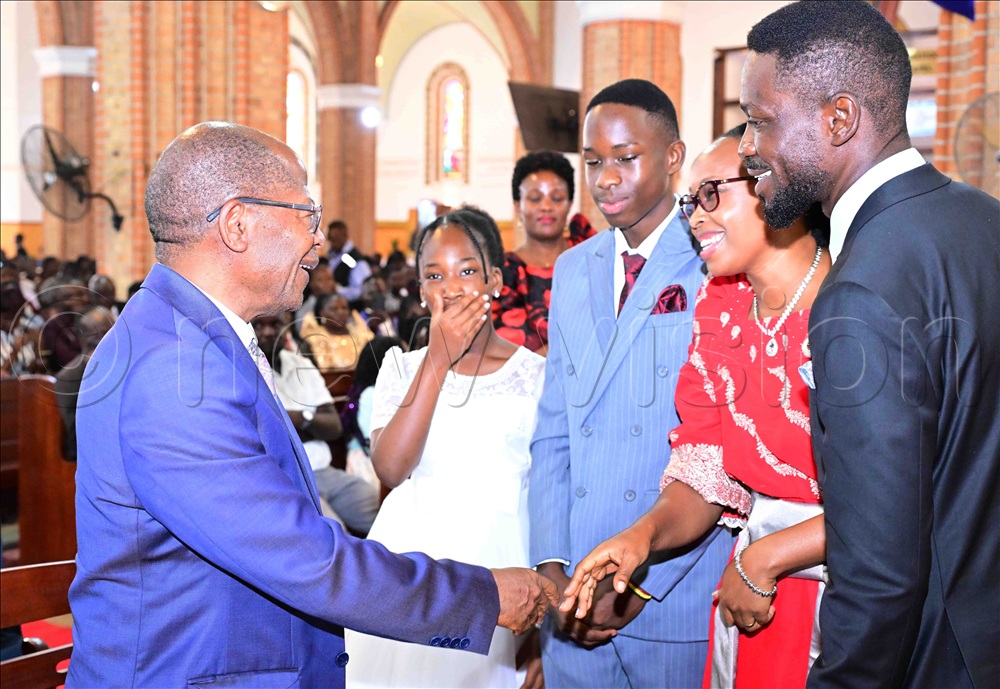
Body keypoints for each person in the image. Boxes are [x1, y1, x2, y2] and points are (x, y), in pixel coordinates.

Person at [68, 121, 558, 688]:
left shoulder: (195, 336)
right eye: (307, 216)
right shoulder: (173, 368)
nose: (319, 241)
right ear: (237, 224)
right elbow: (302, 557)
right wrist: (482, 596)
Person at [738, 3, 1000, 688]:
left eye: (761, 120)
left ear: (839, 119)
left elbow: (880, 575)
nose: (745, 146)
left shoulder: (857, 293)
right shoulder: (983, 218)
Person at [561, 124, 832, 688]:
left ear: (776, 187)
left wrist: (764, 559)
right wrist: (644, 535)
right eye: (691, 200)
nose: (695, 215)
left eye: (713, 193)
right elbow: (707, 467)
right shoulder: (724, 306)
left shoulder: (849, 306)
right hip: (752, 589)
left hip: (850, 592)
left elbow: (899, 497)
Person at [530, 78, 735, 689]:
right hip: (573, 597)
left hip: (674, 595)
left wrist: (637, 586)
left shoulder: (714, 256)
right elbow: (553, 432)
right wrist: (552, 568)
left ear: (673, 157)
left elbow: (730, 448)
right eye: (592, 161)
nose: (605, 178)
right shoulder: (574, 267)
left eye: (626, 157)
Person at [346, 207, 546, 688]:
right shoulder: (399, 366)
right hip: (417, 567)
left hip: (504, 562)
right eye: (434, 274)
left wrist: (543, 626)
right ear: (419, 291)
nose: (451, 286)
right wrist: (436, 359)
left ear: (495, 280)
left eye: (467, 271)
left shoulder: (537, 374)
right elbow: (392, 467)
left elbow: (548, 494)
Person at [253, 310, 379, 535]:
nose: (269, 332)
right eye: (259, 325)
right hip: (288, 478)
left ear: (288, 326)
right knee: (335, 536)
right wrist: (311, 421)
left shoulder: (302, 364)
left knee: (385, 516)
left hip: (326, 470)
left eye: (275, 323)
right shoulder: (242, 369)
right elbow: (266, 433)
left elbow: (334, 428)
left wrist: (299, 418)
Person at [493, 150, 596, 354]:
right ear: (517, 206)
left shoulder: (593, 258)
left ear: (569, 205)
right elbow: (507, 353)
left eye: (556, 198)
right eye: (535, 198)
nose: (546, 207)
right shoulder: (504, 274)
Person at [54, 305, 116, 461]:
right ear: (82, 340)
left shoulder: (125, 366)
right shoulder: (68, 378)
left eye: (111, 332)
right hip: (89, 460)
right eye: (98, 337)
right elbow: (74, 439)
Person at [299, 292, 375, 370]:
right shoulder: (316, 338)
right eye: (333, 309)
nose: (341, 313)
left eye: (344, 308)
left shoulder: (360, 334)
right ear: (322, 313)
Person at [327, 219, 373, 308]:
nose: (332, 244)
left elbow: (361, 291)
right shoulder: (335, 256)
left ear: (344, 236)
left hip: (352, 309)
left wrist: (337, 290)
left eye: (335, 240)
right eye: (330, 240)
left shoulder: (355, 259)